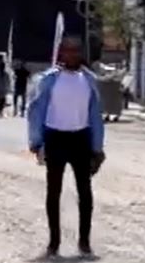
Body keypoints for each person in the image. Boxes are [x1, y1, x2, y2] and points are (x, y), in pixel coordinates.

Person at [27, 37, 104, 258]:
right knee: (53, 193)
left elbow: (96, 116)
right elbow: (36, 110)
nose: (71, 54)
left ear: (80, 53)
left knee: (85, 193)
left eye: (76, 51)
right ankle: (53, 244)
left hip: (81, 139)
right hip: (55, 138)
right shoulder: (50, 80)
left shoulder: (89, 80)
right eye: (67, 51)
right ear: (61, 53)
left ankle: (85, 243)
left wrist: (97, 148)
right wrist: (35, 141)